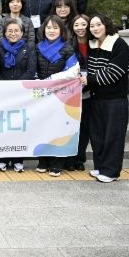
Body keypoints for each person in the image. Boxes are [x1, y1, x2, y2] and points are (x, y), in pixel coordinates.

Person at [81, 14, 129, 183]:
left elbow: (113, 72)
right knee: (97, 136)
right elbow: (91, 68)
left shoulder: (119, 44)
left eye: (98, 24)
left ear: (106, 25)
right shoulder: (93, 44)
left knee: (113, 136)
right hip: (96, 98)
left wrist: (89, 80)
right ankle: (100, 167)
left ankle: (111, 172)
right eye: (92, 26)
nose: (95, 28)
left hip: (115, 99)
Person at [34, 15, 80, 177]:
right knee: (42, 127)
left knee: (59, 129)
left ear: (61, 30)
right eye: (48, 27)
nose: (51, 31)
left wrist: (51, 80)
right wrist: (36, 80)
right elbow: (33, 66)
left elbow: (73, 71)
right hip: (41, 94)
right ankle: (43, 161)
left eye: (55, 28)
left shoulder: (67, 48)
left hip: (61, 95)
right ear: (43, 30)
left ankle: (56, 163)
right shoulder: (37, 47)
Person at [0, 18, 36, 172]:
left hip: (21, 94)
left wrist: (17, 86)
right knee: (3, 127)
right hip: (3, 93)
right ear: (4, 33)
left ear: (22, 32)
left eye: (16, 31)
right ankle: (2, 159)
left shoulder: (29, 48)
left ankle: (18, 159)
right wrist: (5, 86)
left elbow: (31, 70)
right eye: (10, 31)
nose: (13, 33)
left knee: (19, 127)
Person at [70, 14, 91, 171]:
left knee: (85, 127)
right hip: (72, 91)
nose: (80, 28)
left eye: (83, 24)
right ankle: (69, 159)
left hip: (91, 91)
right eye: (76, 25)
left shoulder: (96, 44)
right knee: (72, 126)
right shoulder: (69, 44)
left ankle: (80, 158)